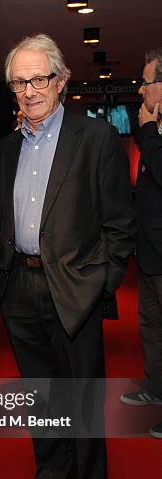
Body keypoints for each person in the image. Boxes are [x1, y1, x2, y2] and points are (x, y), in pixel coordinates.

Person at [0, 34, 135, 479]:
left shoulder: (96, 138)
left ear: (59, 81)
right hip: (21, 291)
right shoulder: (7, 146)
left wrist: (100, 283)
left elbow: (119, 226)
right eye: (20, 81)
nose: (30, 90)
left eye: (39, 79)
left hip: (74, 292)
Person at [120, 49, 162, 439]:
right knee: (151, 326)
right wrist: (147, 127)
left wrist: (148, 130)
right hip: (150, 252)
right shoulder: (154, 124)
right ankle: (156, 386)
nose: (141, 88)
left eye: (147, 81)